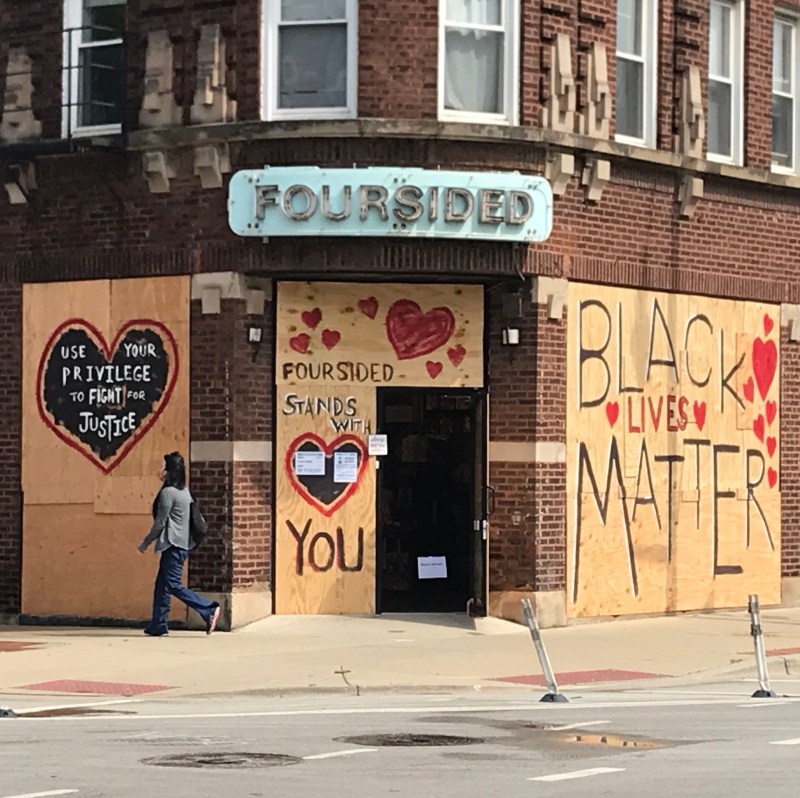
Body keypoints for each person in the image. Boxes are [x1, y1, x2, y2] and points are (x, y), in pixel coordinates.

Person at [138, 451, 221, 637]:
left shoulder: (168, 493)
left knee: (173, 585)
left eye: (163, 466)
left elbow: (160, 522)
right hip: (181, 545)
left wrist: (145, 543)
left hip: (173, 545)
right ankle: (158, 625)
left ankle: (208, 609)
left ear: (169, 471)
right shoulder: (185, 491)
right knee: (162, 586)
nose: (160, 470)